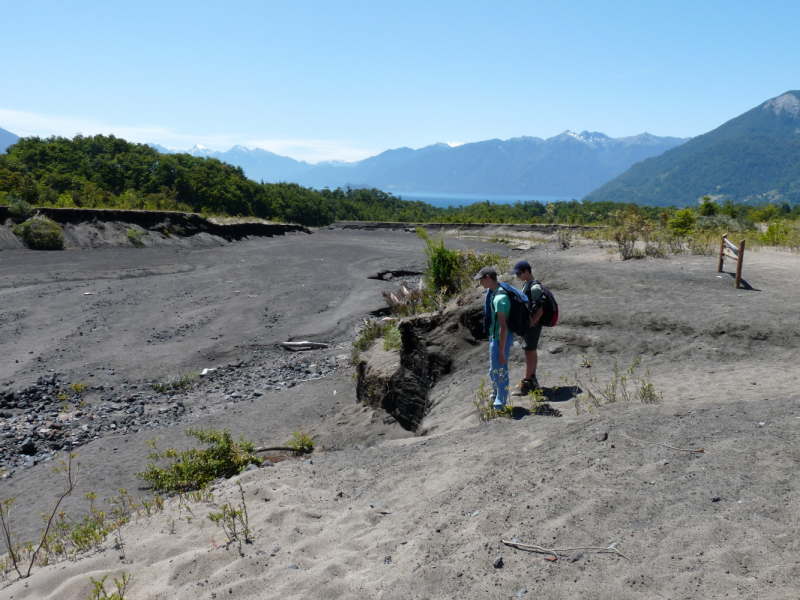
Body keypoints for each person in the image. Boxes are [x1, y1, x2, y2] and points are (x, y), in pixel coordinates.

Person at [474, 266, 513, 410]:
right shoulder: (493, 292)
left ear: (488, 278)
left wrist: (501, 351)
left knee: (501, 371)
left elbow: (503, 326)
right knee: (494, 369)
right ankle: (496, 394)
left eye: (481, 280)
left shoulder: (499, 299)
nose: (480, 283)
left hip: (499, 339)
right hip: (495, 337)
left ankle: (500, 405)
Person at [510, 260, 545, 397]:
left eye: (519, 273)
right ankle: (532, 379)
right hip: (531, 325)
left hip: (532, 325)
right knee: (531, 352)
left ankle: (526, 383)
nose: (517, 276)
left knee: (529, 352)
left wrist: (530, 325)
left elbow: (540, 310)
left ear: (526, 271)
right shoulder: (527, 284)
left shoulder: (534, 287)